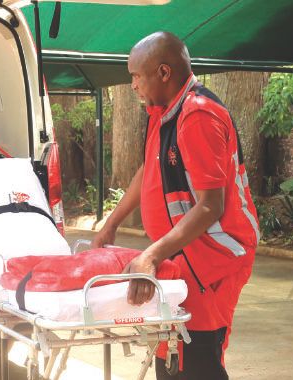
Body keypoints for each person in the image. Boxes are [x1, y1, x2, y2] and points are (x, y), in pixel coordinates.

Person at [91, 31, 259, 380]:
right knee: (169, 354)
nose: (133, 85)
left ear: (164, 73)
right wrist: (112, 222)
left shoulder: (197, 115)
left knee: (196, 360)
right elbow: (147, 170)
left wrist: (150, 255)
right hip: (182, 255)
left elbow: (210, 206)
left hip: (211, 260)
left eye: (137, 76)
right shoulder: (163, 112)